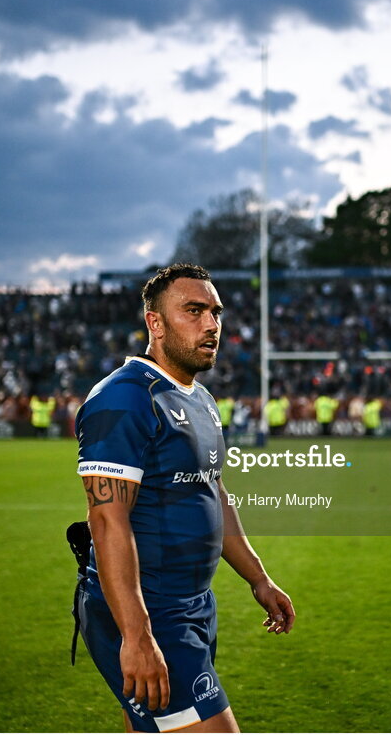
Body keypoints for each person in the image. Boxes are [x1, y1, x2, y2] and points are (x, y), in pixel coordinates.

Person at [74, 264, 295, 733]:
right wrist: (136, 635)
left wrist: (259, 580)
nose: (211, 324)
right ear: (155, 323)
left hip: (193, 604)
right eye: (193, 311)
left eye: (215, 312)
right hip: (151, 610)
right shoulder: (125, 398)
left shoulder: (202, 399)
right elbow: (107, 521)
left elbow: (212, 491)